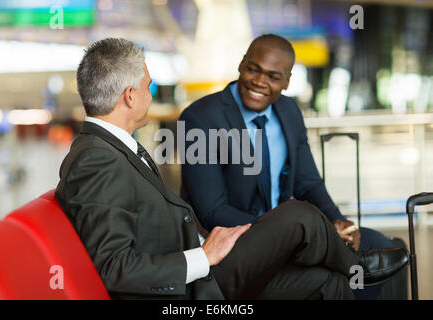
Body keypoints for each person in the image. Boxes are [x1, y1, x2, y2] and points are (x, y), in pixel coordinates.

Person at [55, 38, 408, 300]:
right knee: (299, 217)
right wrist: (202, 257)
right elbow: (115, 268)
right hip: (193, 290)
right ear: (130, 96)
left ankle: (347, 258)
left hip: (206, 262)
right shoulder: (97, 159)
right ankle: (354, 263)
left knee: (328, 284)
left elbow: (308, 180)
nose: (152, 93)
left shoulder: (114, 148)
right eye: (149, 86)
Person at [179, 34, 403, 299]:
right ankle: (356, 266)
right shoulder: (201, 118)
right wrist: (282, 235)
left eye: (273, 77)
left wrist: (337, 221)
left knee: (384, 245)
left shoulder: (289, 112)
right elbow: (212, 210)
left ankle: (354, 262)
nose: (260, 82)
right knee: (333, 273)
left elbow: (308, 183)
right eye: (253, 69)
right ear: (241, 65)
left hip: (296, 231)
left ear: (287, 82)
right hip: (235, 243)